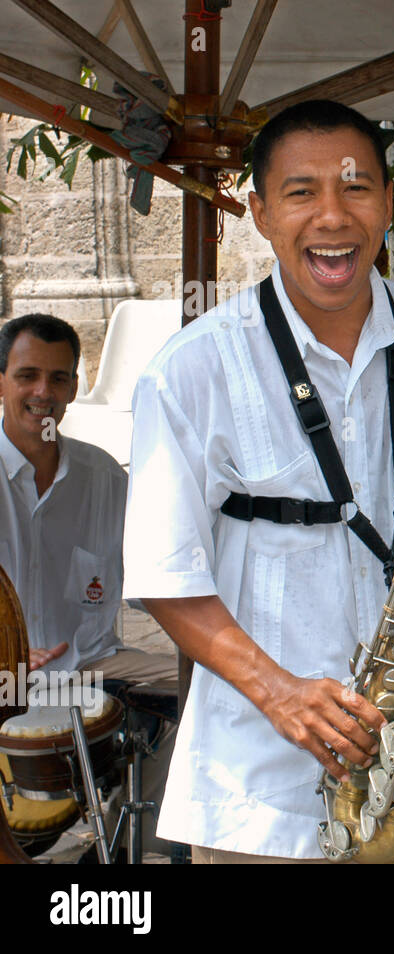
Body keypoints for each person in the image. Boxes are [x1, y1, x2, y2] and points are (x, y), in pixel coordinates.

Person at [123, 100, 394, 863]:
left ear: (388, 202)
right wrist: (277, 691)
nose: (333, 217)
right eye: (302, 192)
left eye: (357, 189)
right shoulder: (192, 370)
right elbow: (164, 573)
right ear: (260, 212)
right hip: (265, 787)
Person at [0, 313, 177, 856]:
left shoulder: (105, 478)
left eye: (58, 378)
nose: (42, 393)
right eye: (27, 375)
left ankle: (130, 840)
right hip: (4, 675)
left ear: (75, 387)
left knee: (211, 684)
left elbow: (156, 584)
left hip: (92, 661)